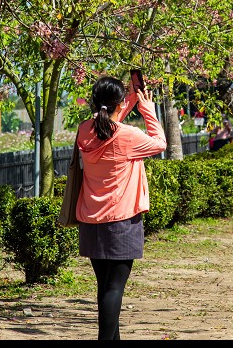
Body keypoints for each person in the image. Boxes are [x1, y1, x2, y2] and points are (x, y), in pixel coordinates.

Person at [75, 75, 166, 341]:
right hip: (121, 222)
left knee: (104, 287)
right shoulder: (128, 136)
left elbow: (108, 123)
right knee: (113, 289)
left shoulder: (84, 130)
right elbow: (160, 143)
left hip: (91, 220)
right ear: (118, 103)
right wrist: (146, 107)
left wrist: (131, 98)